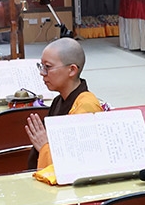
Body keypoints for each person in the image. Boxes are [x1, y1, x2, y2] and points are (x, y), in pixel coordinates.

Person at [23, 38, 104, 172]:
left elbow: (77, 164)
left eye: (48, 67)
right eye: (41, 66)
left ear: (72, 70)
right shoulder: (59, 101)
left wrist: (44, 146)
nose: (42, 73)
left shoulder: (86, 107)